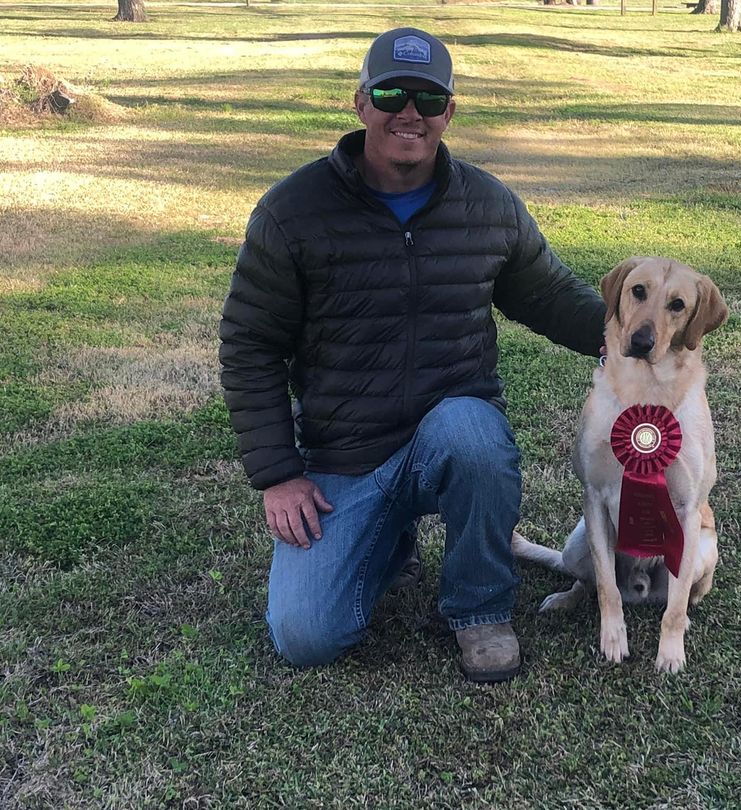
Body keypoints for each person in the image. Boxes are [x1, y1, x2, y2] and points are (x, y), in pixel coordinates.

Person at [219, 27, 606, 683]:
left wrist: (640, 335)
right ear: (361, 102)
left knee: (474, 436)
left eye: (427, 98)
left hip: (452, 433)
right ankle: (387, 541)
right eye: (391, 92)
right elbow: (250, 345)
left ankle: (479, 608)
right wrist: (279, 473)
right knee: (306, 636)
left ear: (449, 111)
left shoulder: (489, 205)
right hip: (345, 454)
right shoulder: (292, 212)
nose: (409, 112)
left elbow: (550, 297)